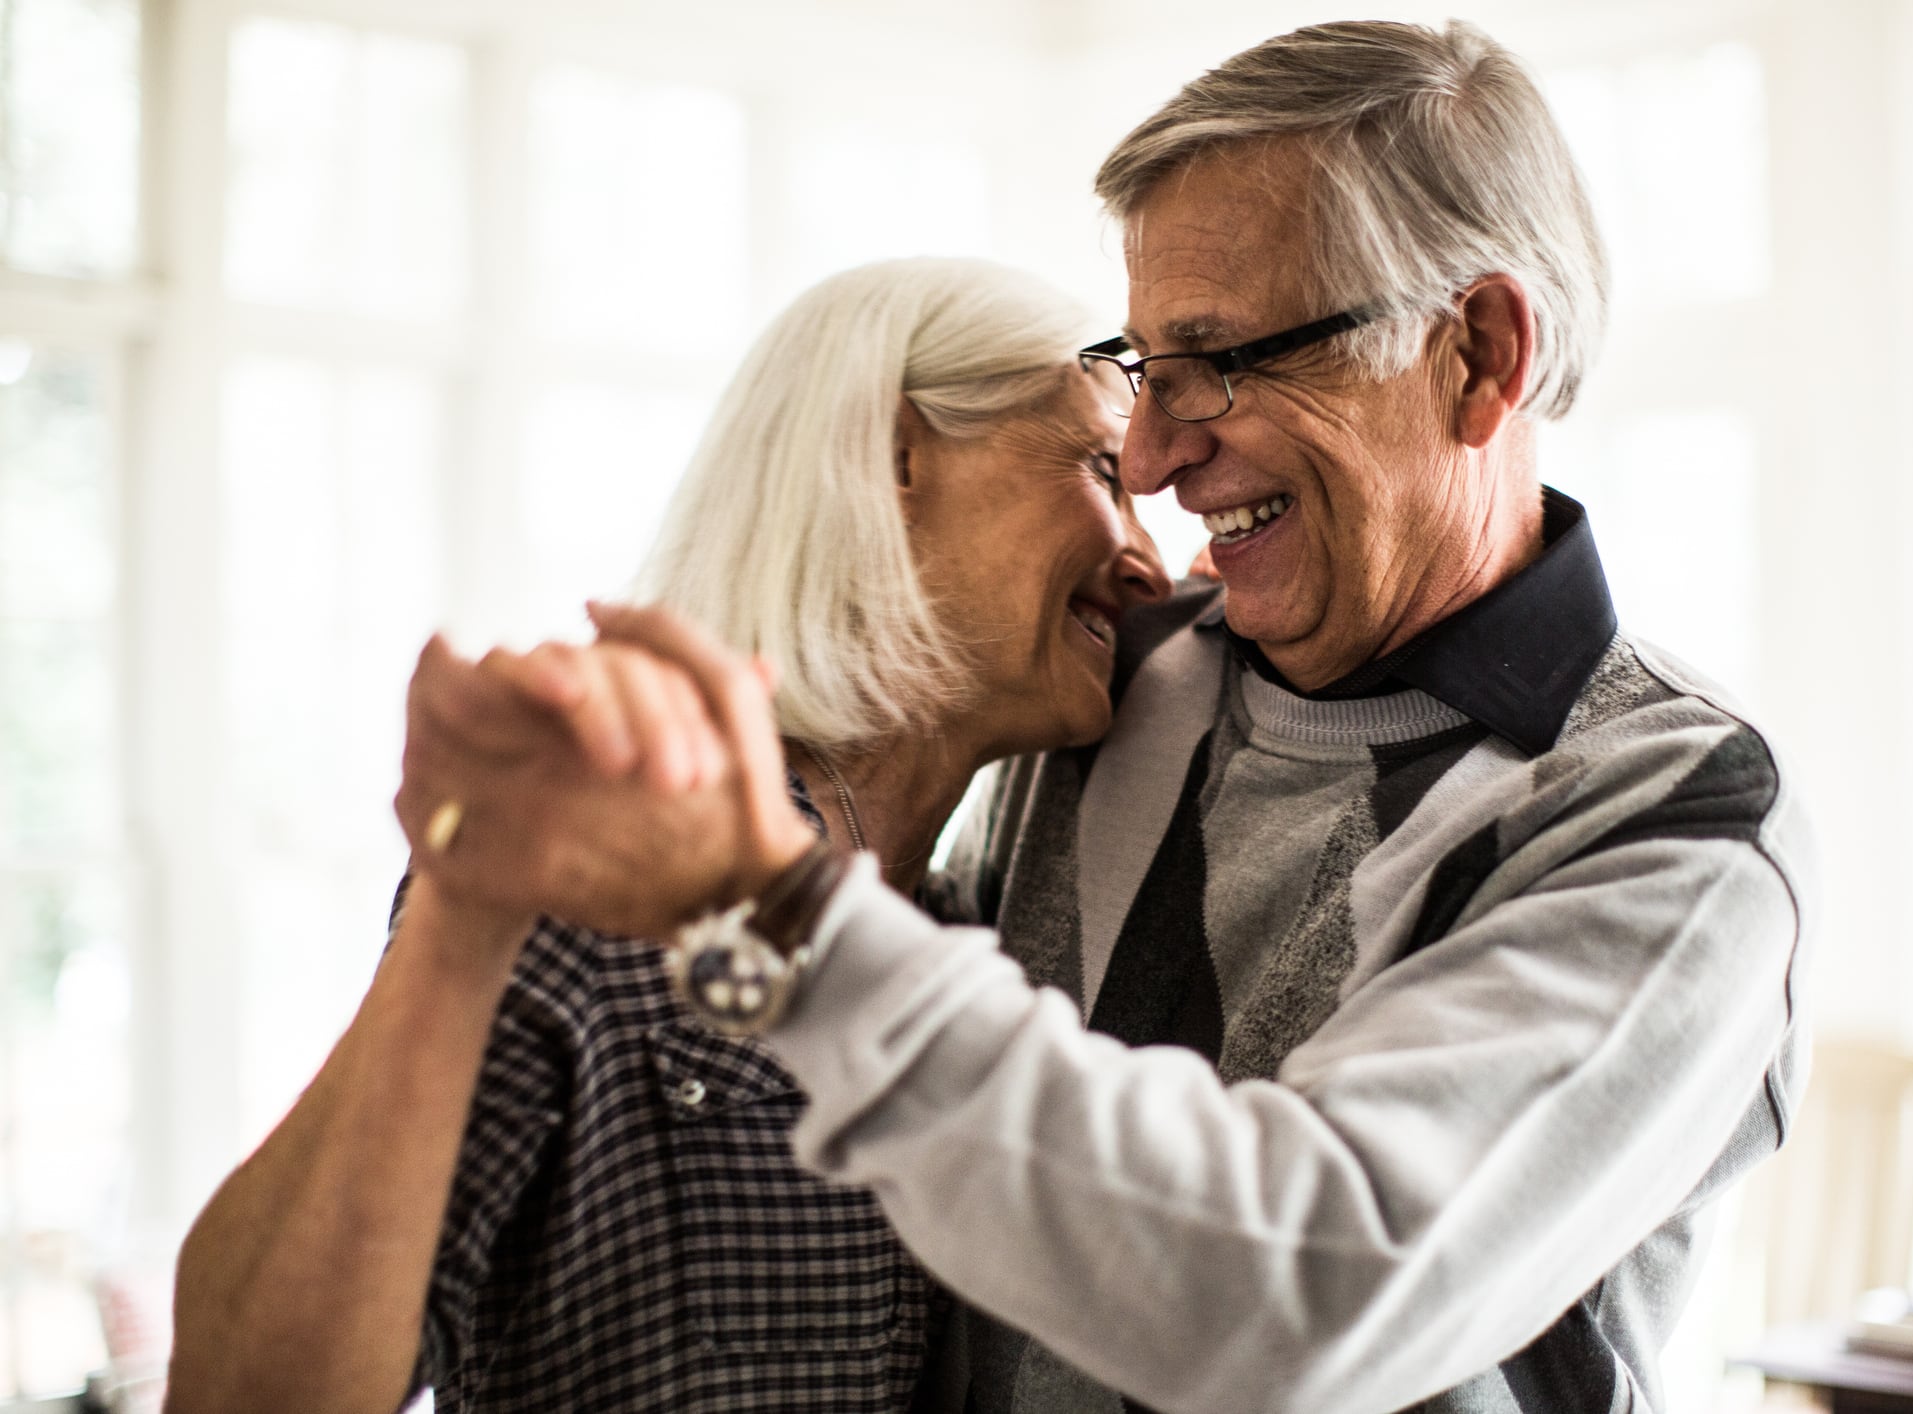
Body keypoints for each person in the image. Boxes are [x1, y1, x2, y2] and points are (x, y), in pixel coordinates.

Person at [397, 19, 1815, 1414]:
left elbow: (1294, 1301)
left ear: (1478, 353)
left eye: (1218, 360)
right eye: (1141, 370)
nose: (1150, 457)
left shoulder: (1668, 813)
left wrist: (766, 908)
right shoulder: (1127, 677)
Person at [164, 257, 1172, 1413]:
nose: (1149, 562)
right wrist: (465, 906)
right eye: (1105, 471)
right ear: (896, 459)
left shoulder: (967, 936)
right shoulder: (605, 873)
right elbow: (242, 1395)